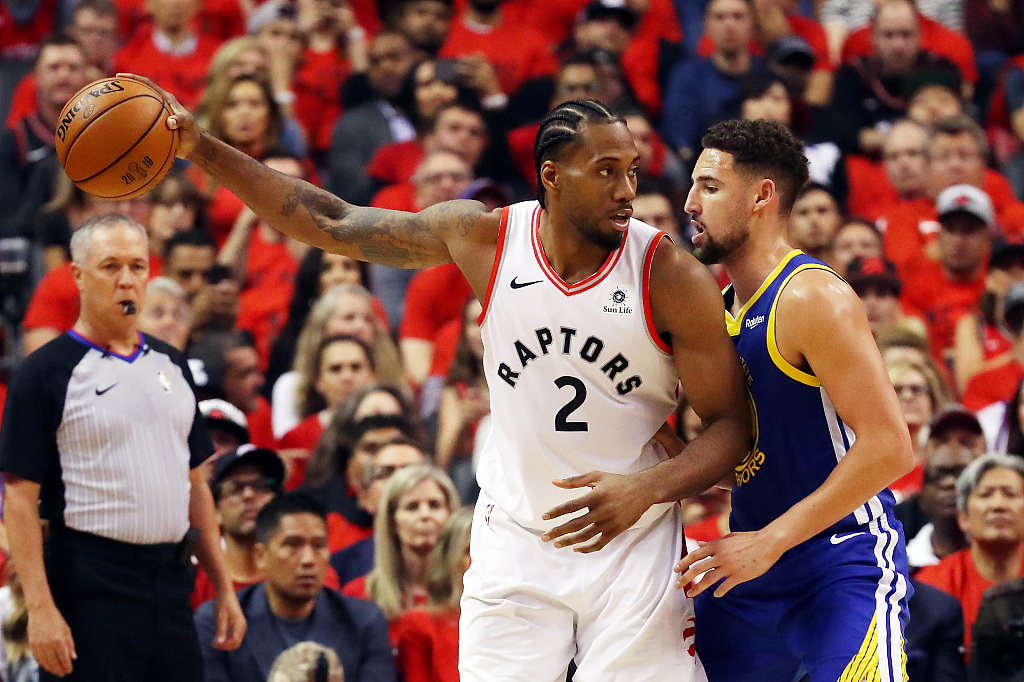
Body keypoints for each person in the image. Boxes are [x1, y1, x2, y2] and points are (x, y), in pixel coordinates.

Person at [134, 79, 753, 681]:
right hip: (517, 537)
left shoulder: (671, 276)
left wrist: (645, 490)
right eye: (606, 171)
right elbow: (333, 221)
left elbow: (732, 429)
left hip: (633, 542)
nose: (627, 190)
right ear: (552, 177)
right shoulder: (485, 239)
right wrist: (201, 147)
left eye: (632, 171)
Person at [549, 118, 916, 682]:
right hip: (751, 563)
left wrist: (769, 541)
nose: (690, 203)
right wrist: (648, 434)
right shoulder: (717, 310)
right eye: (693, 185)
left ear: (761, 197)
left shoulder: (812, 296)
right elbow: (749, 463)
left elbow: (891, 448)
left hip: (840, 558)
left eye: (710, 187)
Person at [0, 213, 246, 680]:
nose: (127, 280)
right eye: (110, 266)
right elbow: (19, 499)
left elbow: (195, 485)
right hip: (88, 584)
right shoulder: (44, 372)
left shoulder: (173, 363)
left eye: (137, 266)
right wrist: (40, 607)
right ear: (78, 276)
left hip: (171, 583)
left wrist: (223, 586)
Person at [195, 492, 396, 682]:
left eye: (318, 545)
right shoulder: (218, 622)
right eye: (293, 545)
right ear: (260, 556)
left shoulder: (364, 621)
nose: (308, 559)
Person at [916, 453, 1024, 653]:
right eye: (985, 494)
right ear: (963, 517)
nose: (998, 505)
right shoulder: (933, 585)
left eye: (1011, 494)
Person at [394, 507, 473, 682]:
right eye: (470, 551)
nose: (483, 559)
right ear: (449, 558)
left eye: (491, 551)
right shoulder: (419, 624)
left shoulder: (520, 619)